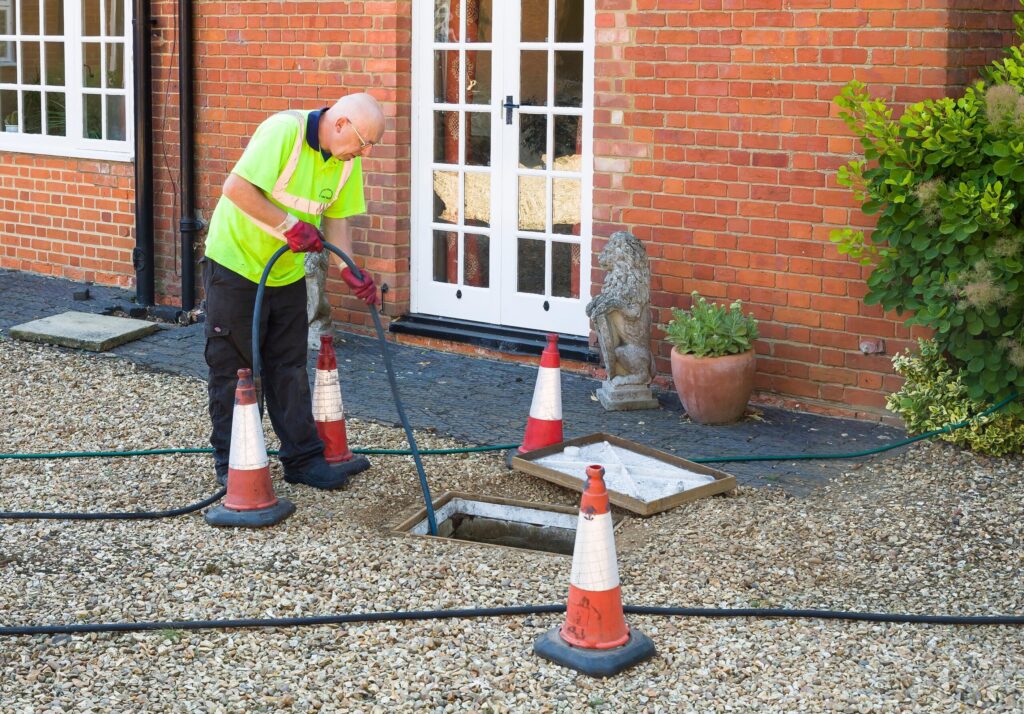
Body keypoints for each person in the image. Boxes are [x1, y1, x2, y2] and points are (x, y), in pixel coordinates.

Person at [202, 93, 384, 490]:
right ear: (341, 124)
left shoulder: (345, 161)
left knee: (289, 368)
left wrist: (349, 270)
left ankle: (303, 461)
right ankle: (235, 466)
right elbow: (235, 188)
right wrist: (289, 226)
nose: (365, 153)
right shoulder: (285, 132)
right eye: (364, 142)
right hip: (235, 265)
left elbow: (337, 220)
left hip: (285, 273)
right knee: (235, 370)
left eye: (372, 145)